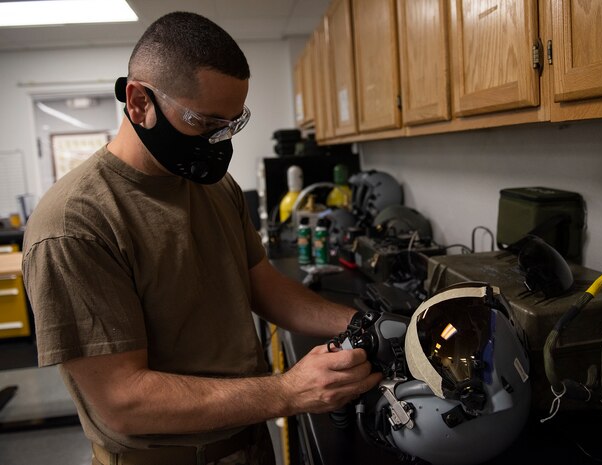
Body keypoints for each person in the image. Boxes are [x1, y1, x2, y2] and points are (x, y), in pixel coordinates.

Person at [22, 11, 382, 465]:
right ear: (138, 103)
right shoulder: (75, 225)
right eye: (205, 123)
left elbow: (261, 285)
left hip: (248, 441)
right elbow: (122, 401)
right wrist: (288, 391)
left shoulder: (212, 185)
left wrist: (360, 324)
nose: (219, 142)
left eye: (233, 124)